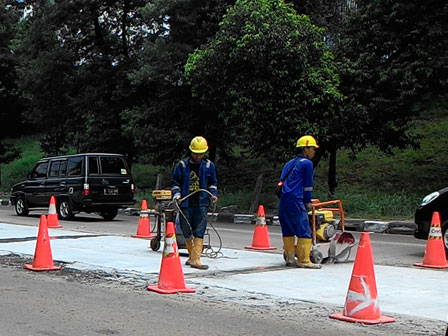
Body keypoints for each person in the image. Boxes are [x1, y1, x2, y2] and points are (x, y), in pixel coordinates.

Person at [171, 136, 218, 270]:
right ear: (191, 152)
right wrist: (177, 194)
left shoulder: (209, 166)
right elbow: (175, 183)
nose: (198, 156)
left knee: (199, 230)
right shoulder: (182, 165)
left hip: (201, 202)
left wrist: (213, 195)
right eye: (196, 153)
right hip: (186, 202)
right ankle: (192, 257)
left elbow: (213, 183)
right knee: (186, 230)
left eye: (200, 154)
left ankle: (196, 259)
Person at [278, 135, 321, 269]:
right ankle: (304, 260)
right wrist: (307, 202)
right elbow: (307, 186)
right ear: (305, 149)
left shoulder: (289, 163)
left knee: (288, 229)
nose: (314, 151)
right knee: (304, 229)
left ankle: (290, 258)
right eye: (312, 149)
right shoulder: (307, 164)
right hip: (296, 200)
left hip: (283, 201)